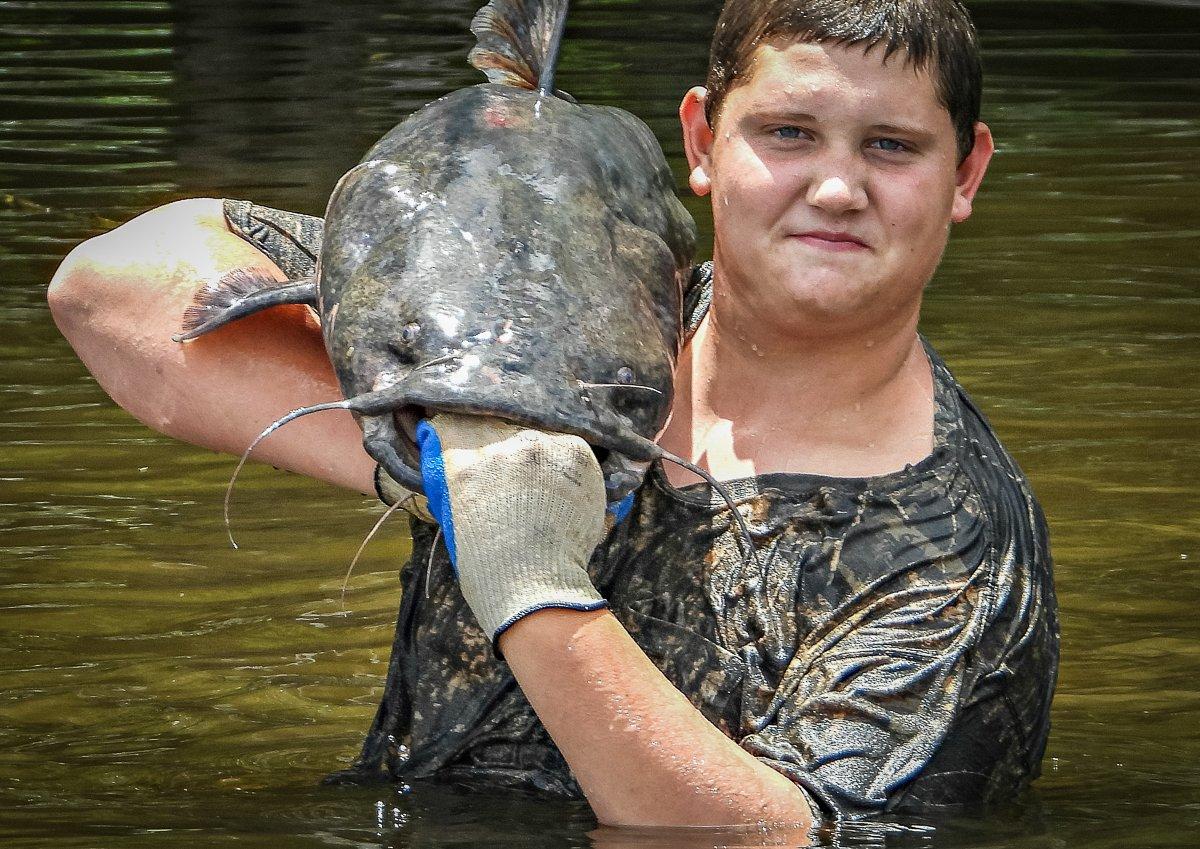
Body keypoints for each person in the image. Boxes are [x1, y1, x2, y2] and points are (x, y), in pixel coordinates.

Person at [46, 0, 1058, 831]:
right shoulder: (554, 313)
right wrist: (448, 463)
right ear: (702, 141)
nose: (836, 187)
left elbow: (794, 832)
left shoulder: (958, 565)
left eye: (891, 147)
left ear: (964, 174)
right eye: (788, 133)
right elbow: (108, 291)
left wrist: (528, 578)